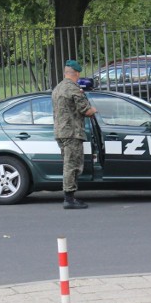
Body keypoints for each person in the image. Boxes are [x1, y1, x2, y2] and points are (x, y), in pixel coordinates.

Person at [52, 59, 97, 209]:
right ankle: (69, 199)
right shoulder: (73, 89)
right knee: (72, 166)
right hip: (72, 132)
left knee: (67, 164)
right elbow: (86, 110)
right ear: (76, 73)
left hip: (60, 132)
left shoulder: (57, 88)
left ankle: (69, 197)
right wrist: (95, 109)